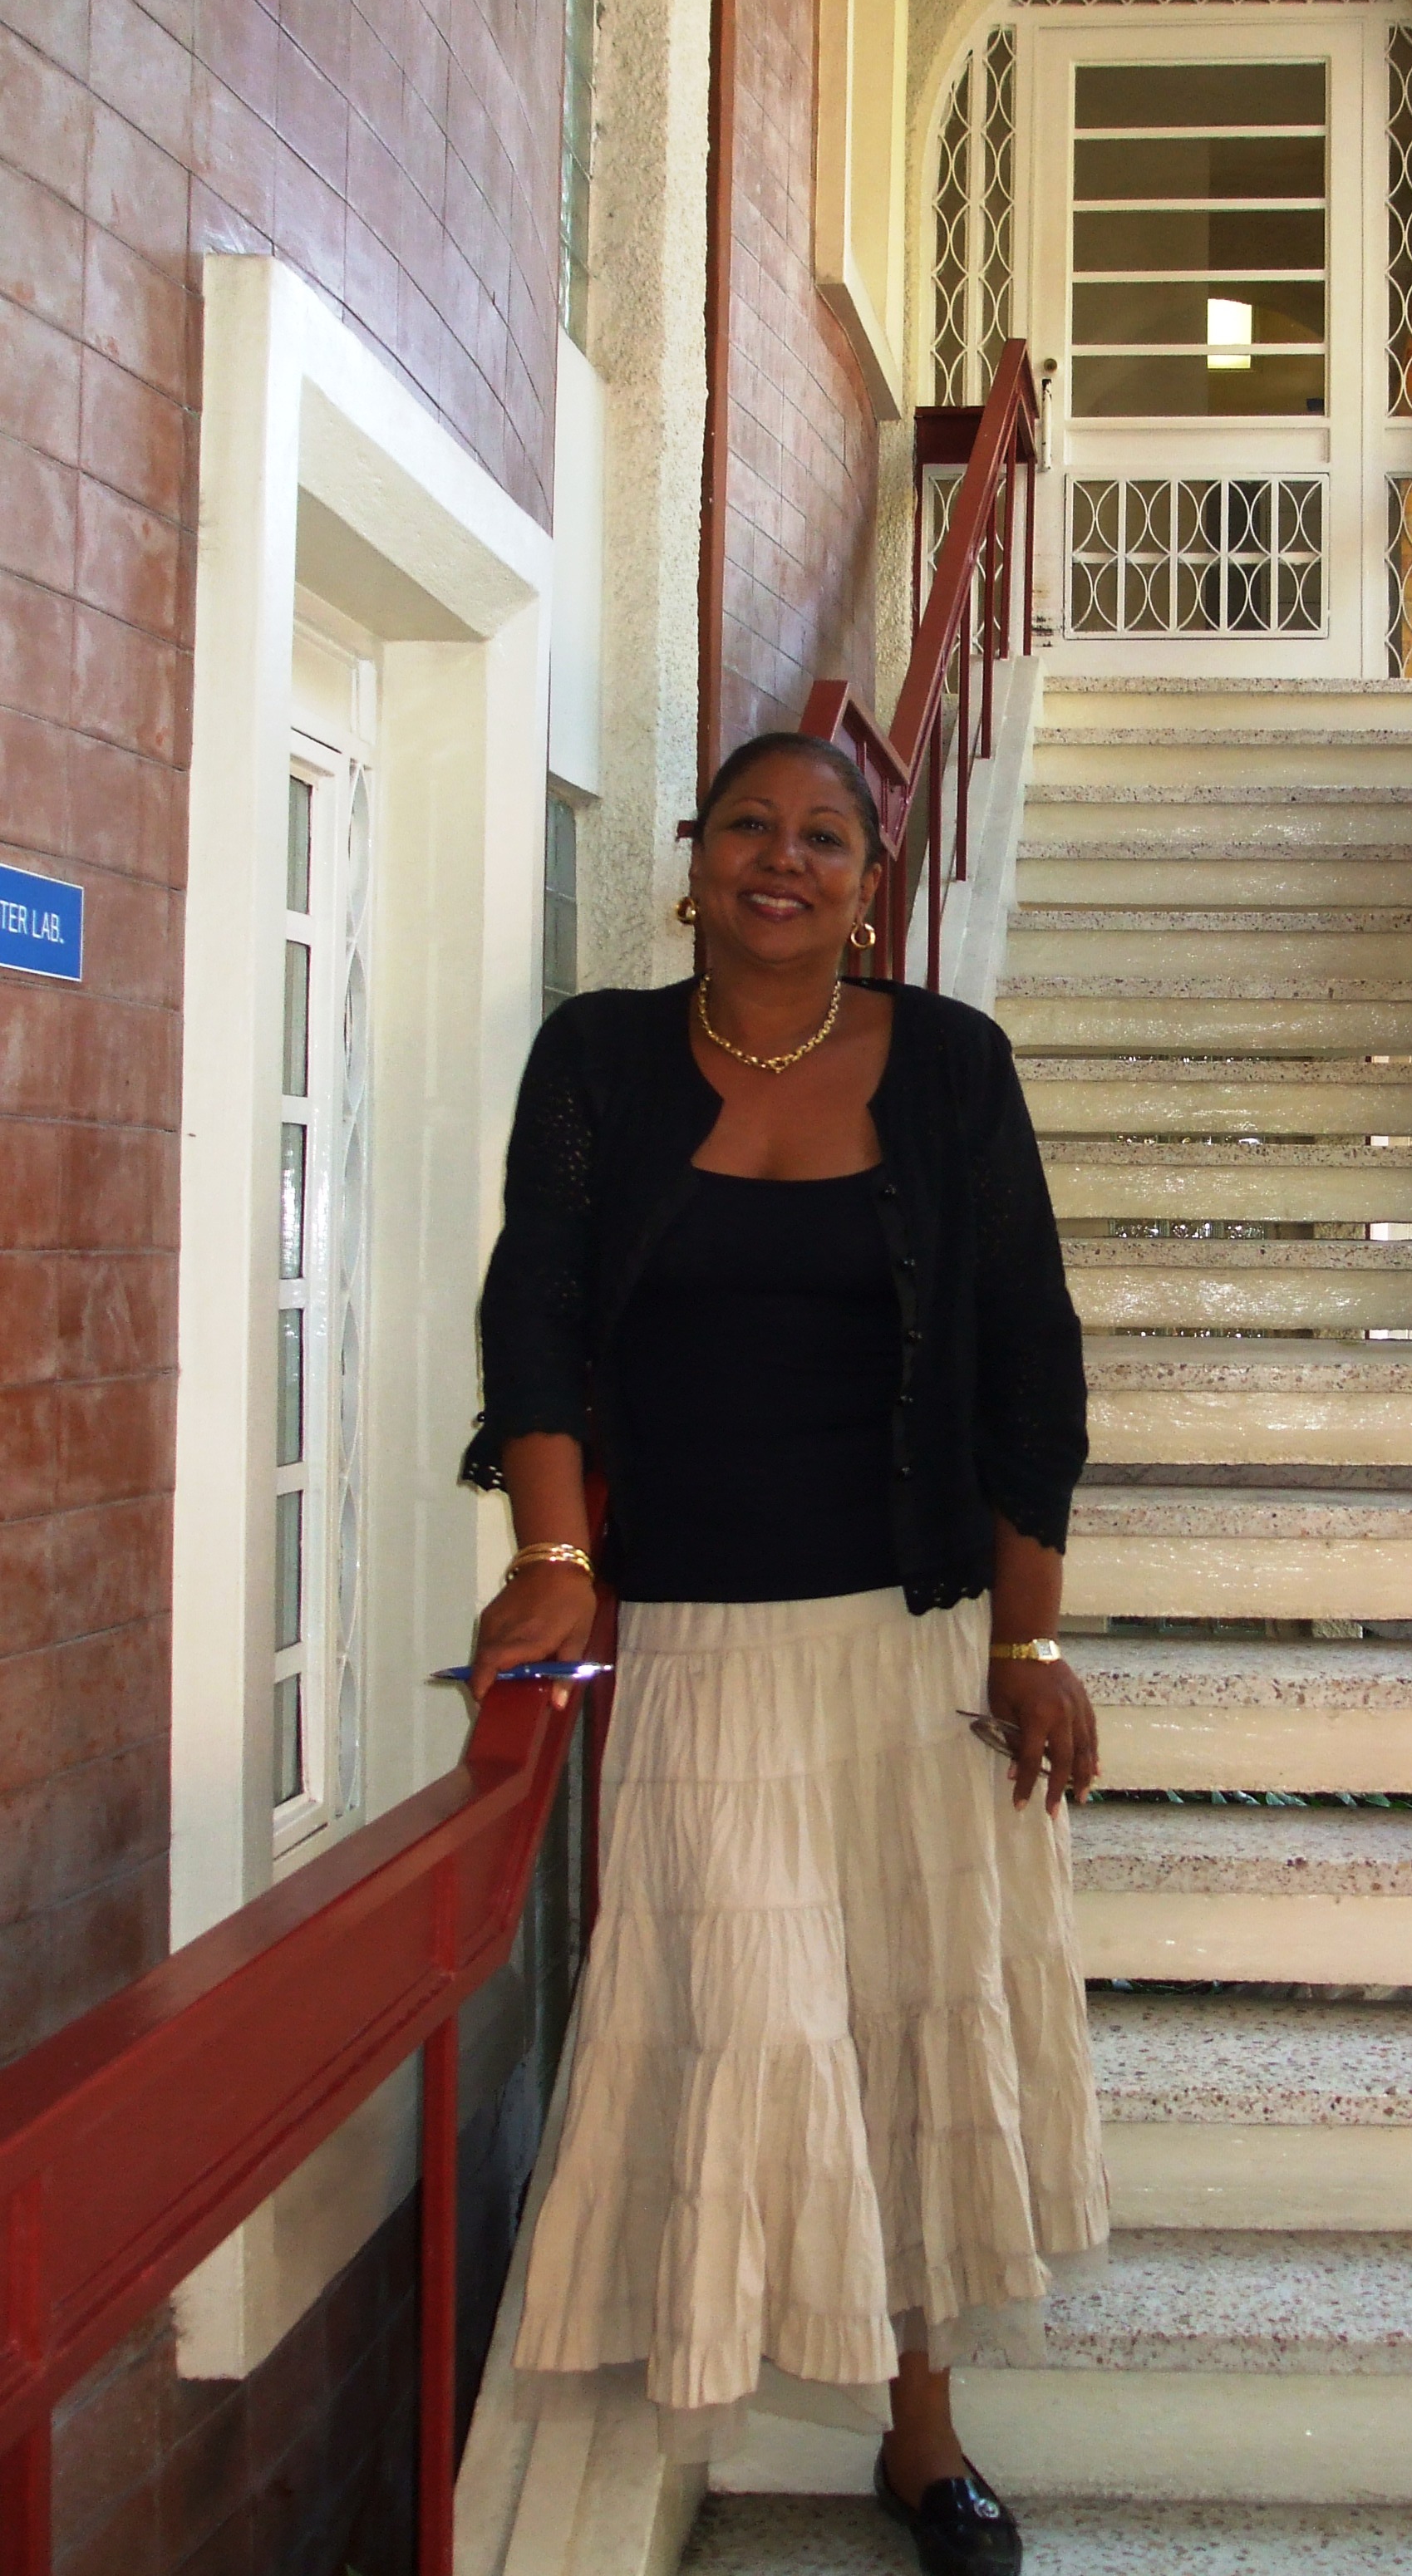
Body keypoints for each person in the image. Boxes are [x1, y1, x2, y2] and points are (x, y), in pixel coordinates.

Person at [460, 730, 1106, 2575]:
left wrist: (1031, 1633)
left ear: (869, 878)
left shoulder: (957, 1069)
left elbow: (1029, 1363)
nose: (782, 855)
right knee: (754, 2010)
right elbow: (538, 1308)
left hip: (912, 1643)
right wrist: (559, 1550)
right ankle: (724, 2333)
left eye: (825, 834)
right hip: (698, 1645)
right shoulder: (597, 1057)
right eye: (750, 821)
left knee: (904, 2023)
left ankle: (924, 2437)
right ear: (694, 853)